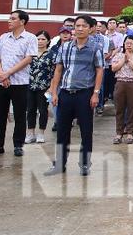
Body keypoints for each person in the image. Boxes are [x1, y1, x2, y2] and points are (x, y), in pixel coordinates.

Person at [44, 15, 105, 175]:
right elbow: (58, 70)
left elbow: (99, 70)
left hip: (85, 94)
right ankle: (59, 164)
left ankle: (84, 164)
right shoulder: (65, 47)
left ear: (90, 29)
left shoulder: (95, 48)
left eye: (83, 26)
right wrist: (54, 92)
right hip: (65, 93)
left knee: (86, 131)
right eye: (77, 26)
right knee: (62, 131)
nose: (79, 29)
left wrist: (96, 93)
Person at [0, 10, 37, 158]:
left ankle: (18, 145)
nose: (9, 21)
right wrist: (1, 74)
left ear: (22, 21)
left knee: (20, 115)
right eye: (9, 18)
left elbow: (28, 59)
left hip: (20, 83)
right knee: (0, 115)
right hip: (1, 83)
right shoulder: (3, 37)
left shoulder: (30, 38)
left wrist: (8, 73)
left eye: (13, 18)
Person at [111, 35, 133, 144]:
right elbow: (114, 68)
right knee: (119, 109)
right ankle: (119, 133)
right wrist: (123, 59)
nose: (129, 45)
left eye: (131, 43)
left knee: (132, 109)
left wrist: (129, 59)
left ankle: (130, 132)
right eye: (127, 43)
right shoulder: (118, 55)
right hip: (120, 83)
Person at [25, 30, 57, 145]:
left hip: (45, 87)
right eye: (38, 39)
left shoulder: (52, 54)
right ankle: (30, 134)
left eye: (43, 39)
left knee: (43, 110)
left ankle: (41, 133)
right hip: (30, 86)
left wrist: (51, 88)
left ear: (48, 41)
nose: (40, 41)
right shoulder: (30, 53)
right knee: (30, 110)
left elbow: (55, 73)